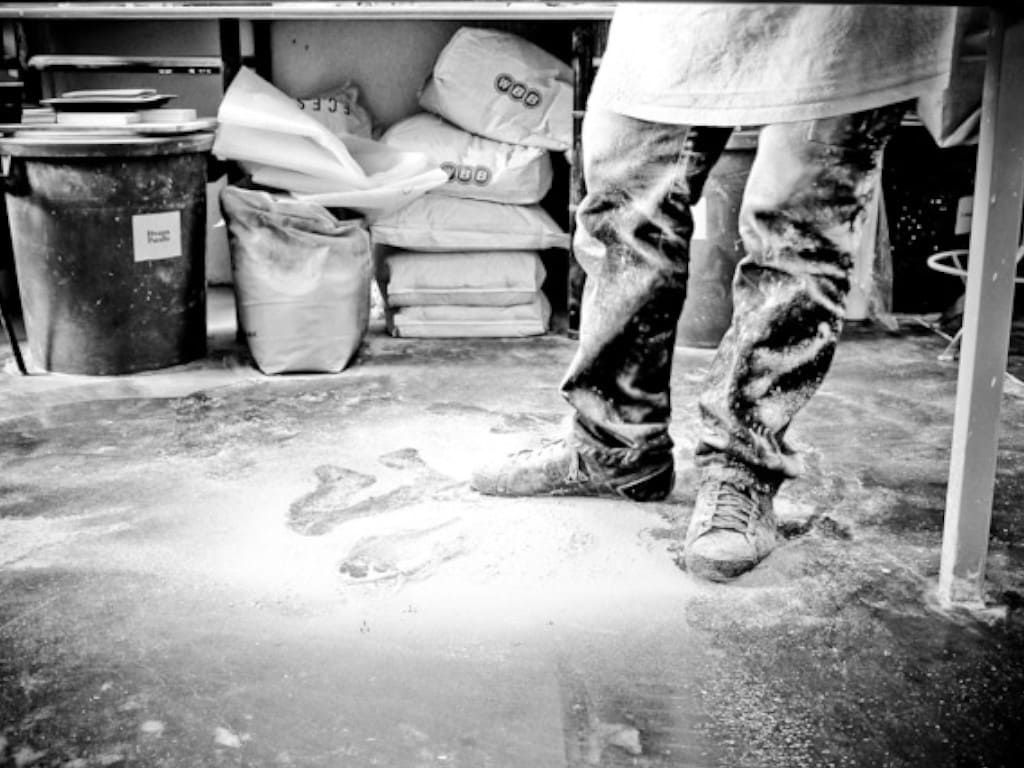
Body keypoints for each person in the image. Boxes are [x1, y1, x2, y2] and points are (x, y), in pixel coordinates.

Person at [470, 3, 961, 581]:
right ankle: (614, 445)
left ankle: (742, 469)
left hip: (847, 17)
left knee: (799, 228)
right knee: (626, 202)